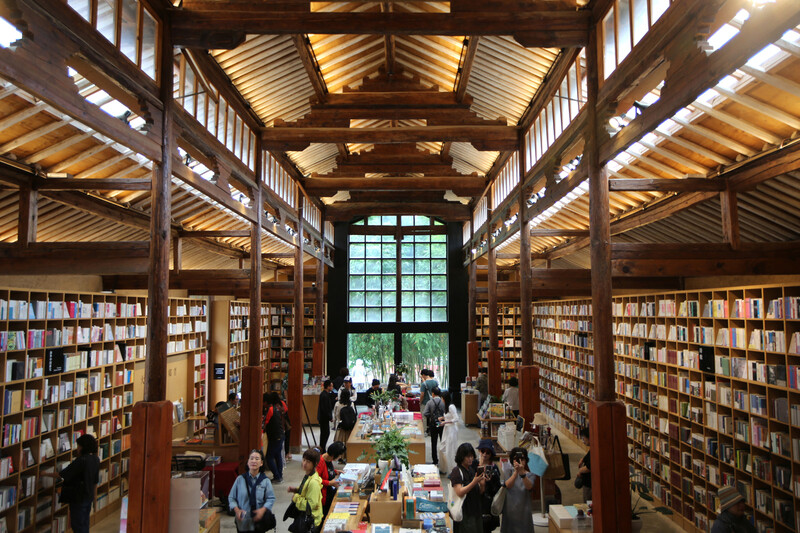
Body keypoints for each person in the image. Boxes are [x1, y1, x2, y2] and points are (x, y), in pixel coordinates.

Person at [41, 434, 100, 533]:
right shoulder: (95, 459)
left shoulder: (81, 461)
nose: (77, 449)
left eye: (79, 446)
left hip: (79, 498)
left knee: (77, 525)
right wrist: (94, 499)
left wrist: (45, 474)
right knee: (85, 523)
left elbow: (62, 474)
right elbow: (95, 481)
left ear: (83, 447)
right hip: (88, 496)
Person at [228, 449, 276, 533]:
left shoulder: (265, 481)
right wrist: (237, 510)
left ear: (261, 463)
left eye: (257, 459)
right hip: (243, 521)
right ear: (248, 462)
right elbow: (231, 497)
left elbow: (270, 498)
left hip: (259, 521)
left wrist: (263, 510)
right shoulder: (240, 479)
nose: (254, 461)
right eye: (251, 458)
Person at [449, 443, 486, 533]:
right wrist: (474, 482)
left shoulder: (471, 470)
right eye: (467, 456)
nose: (470, 459)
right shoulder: (457, 471)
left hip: (475, 511)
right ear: (462, 457)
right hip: (464, 513)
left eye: (472, 456)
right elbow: (459, 492)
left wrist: (482, 484)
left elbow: (480, 492)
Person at [500, 447, 536, 533]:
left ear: (526, 460)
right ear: (512, 460)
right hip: (509, 511)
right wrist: (516, 472)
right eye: (516, 459)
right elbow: (507, 485)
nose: (520, 461)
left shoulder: (530, 474)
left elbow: (529, 486)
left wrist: (522, 474)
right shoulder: (508, 471)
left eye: (522, 458)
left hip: (524, 512)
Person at [288, 448, 324, 532]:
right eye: (304, 460)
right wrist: (297, 490)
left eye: (308, 462)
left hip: (311, 521)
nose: (304, 463)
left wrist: (296, 498)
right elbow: (306, 491)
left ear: (315, 464)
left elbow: (311, 506)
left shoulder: (313, 482)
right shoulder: (308, 476)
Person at [476, 440, 502, 532]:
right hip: (476, 503)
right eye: (483, 451)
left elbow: (498, 489)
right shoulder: (474, 465)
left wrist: (489, 482)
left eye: (488, 452)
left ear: (491, 454)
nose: (485, 454)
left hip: (488, 505)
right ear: (479, 451)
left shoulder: (494, 469)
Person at [316, 441, 346, 516]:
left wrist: (335, 471)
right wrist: (330, 483)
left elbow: (328, 471)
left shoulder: (329, 460)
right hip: (323, 496)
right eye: (339, 455)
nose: (340, 457)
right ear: (333, 455)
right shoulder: (320, 462)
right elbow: (316, 480)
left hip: (330, 491)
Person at [263, 392, 286, 483]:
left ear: (265, 402)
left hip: (275, 436)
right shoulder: (275, 408)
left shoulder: (270, 409)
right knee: (277, 456)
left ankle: (277, 476)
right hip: (280, 435)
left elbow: (265, 423)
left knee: (269, 457)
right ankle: (279, 476)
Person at [421, 386, 446, 467]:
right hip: (442, 424)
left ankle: (435, 461)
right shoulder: (443, 402)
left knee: (434, 443)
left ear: (433, 393)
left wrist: (432, 416)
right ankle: (444, 461)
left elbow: (425, 413)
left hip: (433, 424)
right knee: (443, 442)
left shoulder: (430, 402)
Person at [437, 391, 461, 474]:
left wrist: (445, 422)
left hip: (451, 430)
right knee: (442, 449)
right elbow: (448, 416)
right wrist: (442, 418)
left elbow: (456, 418)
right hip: (447, 429)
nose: (441, 400)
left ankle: (452, 471)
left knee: (450, 451)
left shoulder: (451, 406)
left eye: (442, 398)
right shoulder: (447, 406)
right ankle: (443, 468)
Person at [317, 379, 336, 451]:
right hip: (323, 418)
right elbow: (325, 408)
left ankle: (322, 447)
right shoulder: (324, 395)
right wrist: (329, 417)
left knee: (325, 433)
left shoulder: (325, 394)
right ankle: (322, 448)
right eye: (331, 386)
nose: (332, 388)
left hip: (323, 417)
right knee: (325, 433)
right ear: (328, 386)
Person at [577, 427, 591, 502]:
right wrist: (583, 459)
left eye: (584, 438)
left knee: (588, 501)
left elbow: (589, 467)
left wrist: (580, 471)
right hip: (587, 483)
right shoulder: (593, 447)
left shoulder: (595, 450)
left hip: (589, 484)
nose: (583, 441)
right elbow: (588, 455)